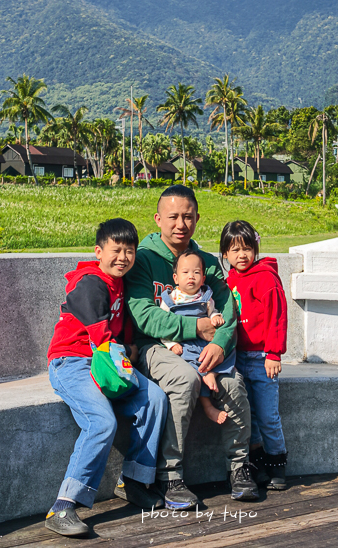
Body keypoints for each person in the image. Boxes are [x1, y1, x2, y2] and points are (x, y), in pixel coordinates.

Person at [125, 185, 259, 509]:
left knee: (233, 383)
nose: (180, 224)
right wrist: (194, 326)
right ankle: (171, 476)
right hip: (157, 347)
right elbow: (144, 316)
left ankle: (239, 470)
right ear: (158, 219)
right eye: (173, 217)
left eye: (188, 216)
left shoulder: (206, 262)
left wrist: (222, 345)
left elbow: (227, 308)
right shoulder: (143, 260)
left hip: (204, 346)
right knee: (185, 380)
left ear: (197, 218)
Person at [45, 218, 169, 538]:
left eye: (129, 251)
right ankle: (63, 506)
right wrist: (115, 348)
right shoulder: (91, 281)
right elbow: (95, 323)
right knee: (101, 422)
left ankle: (133, 482)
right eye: (116, 250)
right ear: (99, 251)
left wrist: (127, 346)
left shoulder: (120, 283)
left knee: (154, 399)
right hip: (72, 363)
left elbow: (121, 326)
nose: (123, 258)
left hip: (108, 361)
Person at [221, 219, 289, 491]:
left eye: (247, 248)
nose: (242, 255)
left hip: (262, 358)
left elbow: (277, 316)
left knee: (267, 415)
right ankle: (257, 462)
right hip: (238, 357)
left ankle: (277, 463)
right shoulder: (229, 280)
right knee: (247, 416)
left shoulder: (265, 278)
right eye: (235, 250)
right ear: (225, 253)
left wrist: (274, 353)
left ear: (256, 249)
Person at [158, 249, 235, 425]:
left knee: (229, 353)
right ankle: (208, 404)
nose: (191, 276)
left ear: (203, 278)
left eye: (196, 272)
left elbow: (213, 311)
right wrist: (171, 345)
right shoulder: (171, 299)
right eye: (185, 273)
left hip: (205, 341)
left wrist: (215, 317)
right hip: (185, 343)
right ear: (176, 278)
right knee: (193, 365)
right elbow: (163, 327)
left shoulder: (206, 296)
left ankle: (212, 372)